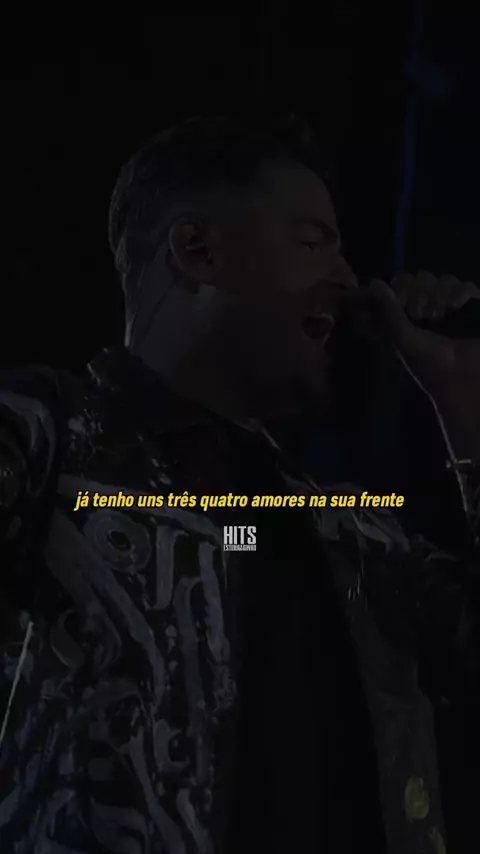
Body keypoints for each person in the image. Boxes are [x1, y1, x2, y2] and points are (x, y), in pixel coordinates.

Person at [0, 115, 479, 854]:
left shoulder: (355, 531)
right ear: (197, 250)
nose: (350, 280)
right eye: (313, 242)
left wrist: (465, 400)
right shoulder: (49, 439)